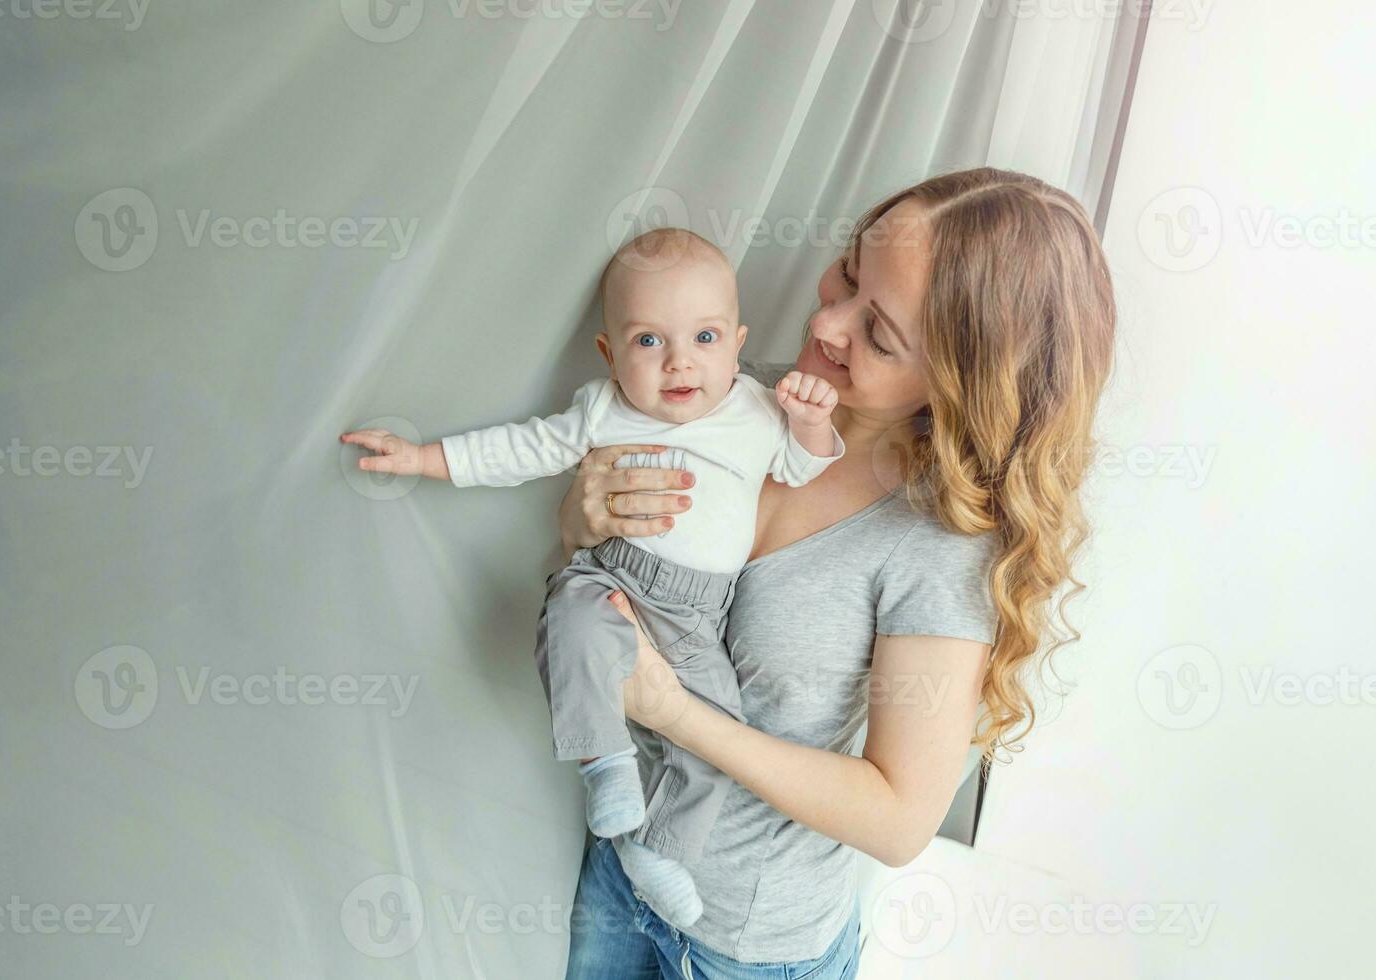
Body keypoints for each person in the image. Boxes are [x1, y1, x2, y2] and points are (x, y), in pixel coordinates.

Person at [556, 167, 1118, 978]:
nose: (825, 323)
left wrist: (671, 711)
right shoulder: (742, 404)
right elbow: (614, 575)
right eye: (849, 273)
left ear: (962, 381)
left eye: (880, 334)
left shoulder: (940, 546)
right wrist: (585, 516)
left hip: (747, 947)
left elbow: (898, 819)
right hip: (619, 868)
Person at [340, 226, 845, 930]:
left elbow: (804, 466)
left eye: (704, 339)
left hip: (697, 617)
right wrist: (422, 458)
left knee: (718, 740)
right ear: (610, 354)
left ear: (737, 342)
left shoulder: (758, 411)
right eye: (649, 342)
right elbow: (522, 447)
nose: (679, 364)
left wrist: (812, 423)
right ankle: (604, 762)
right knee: (571, 626)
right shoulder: (603, 408)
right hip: (613, 573)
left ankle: (658, 851)